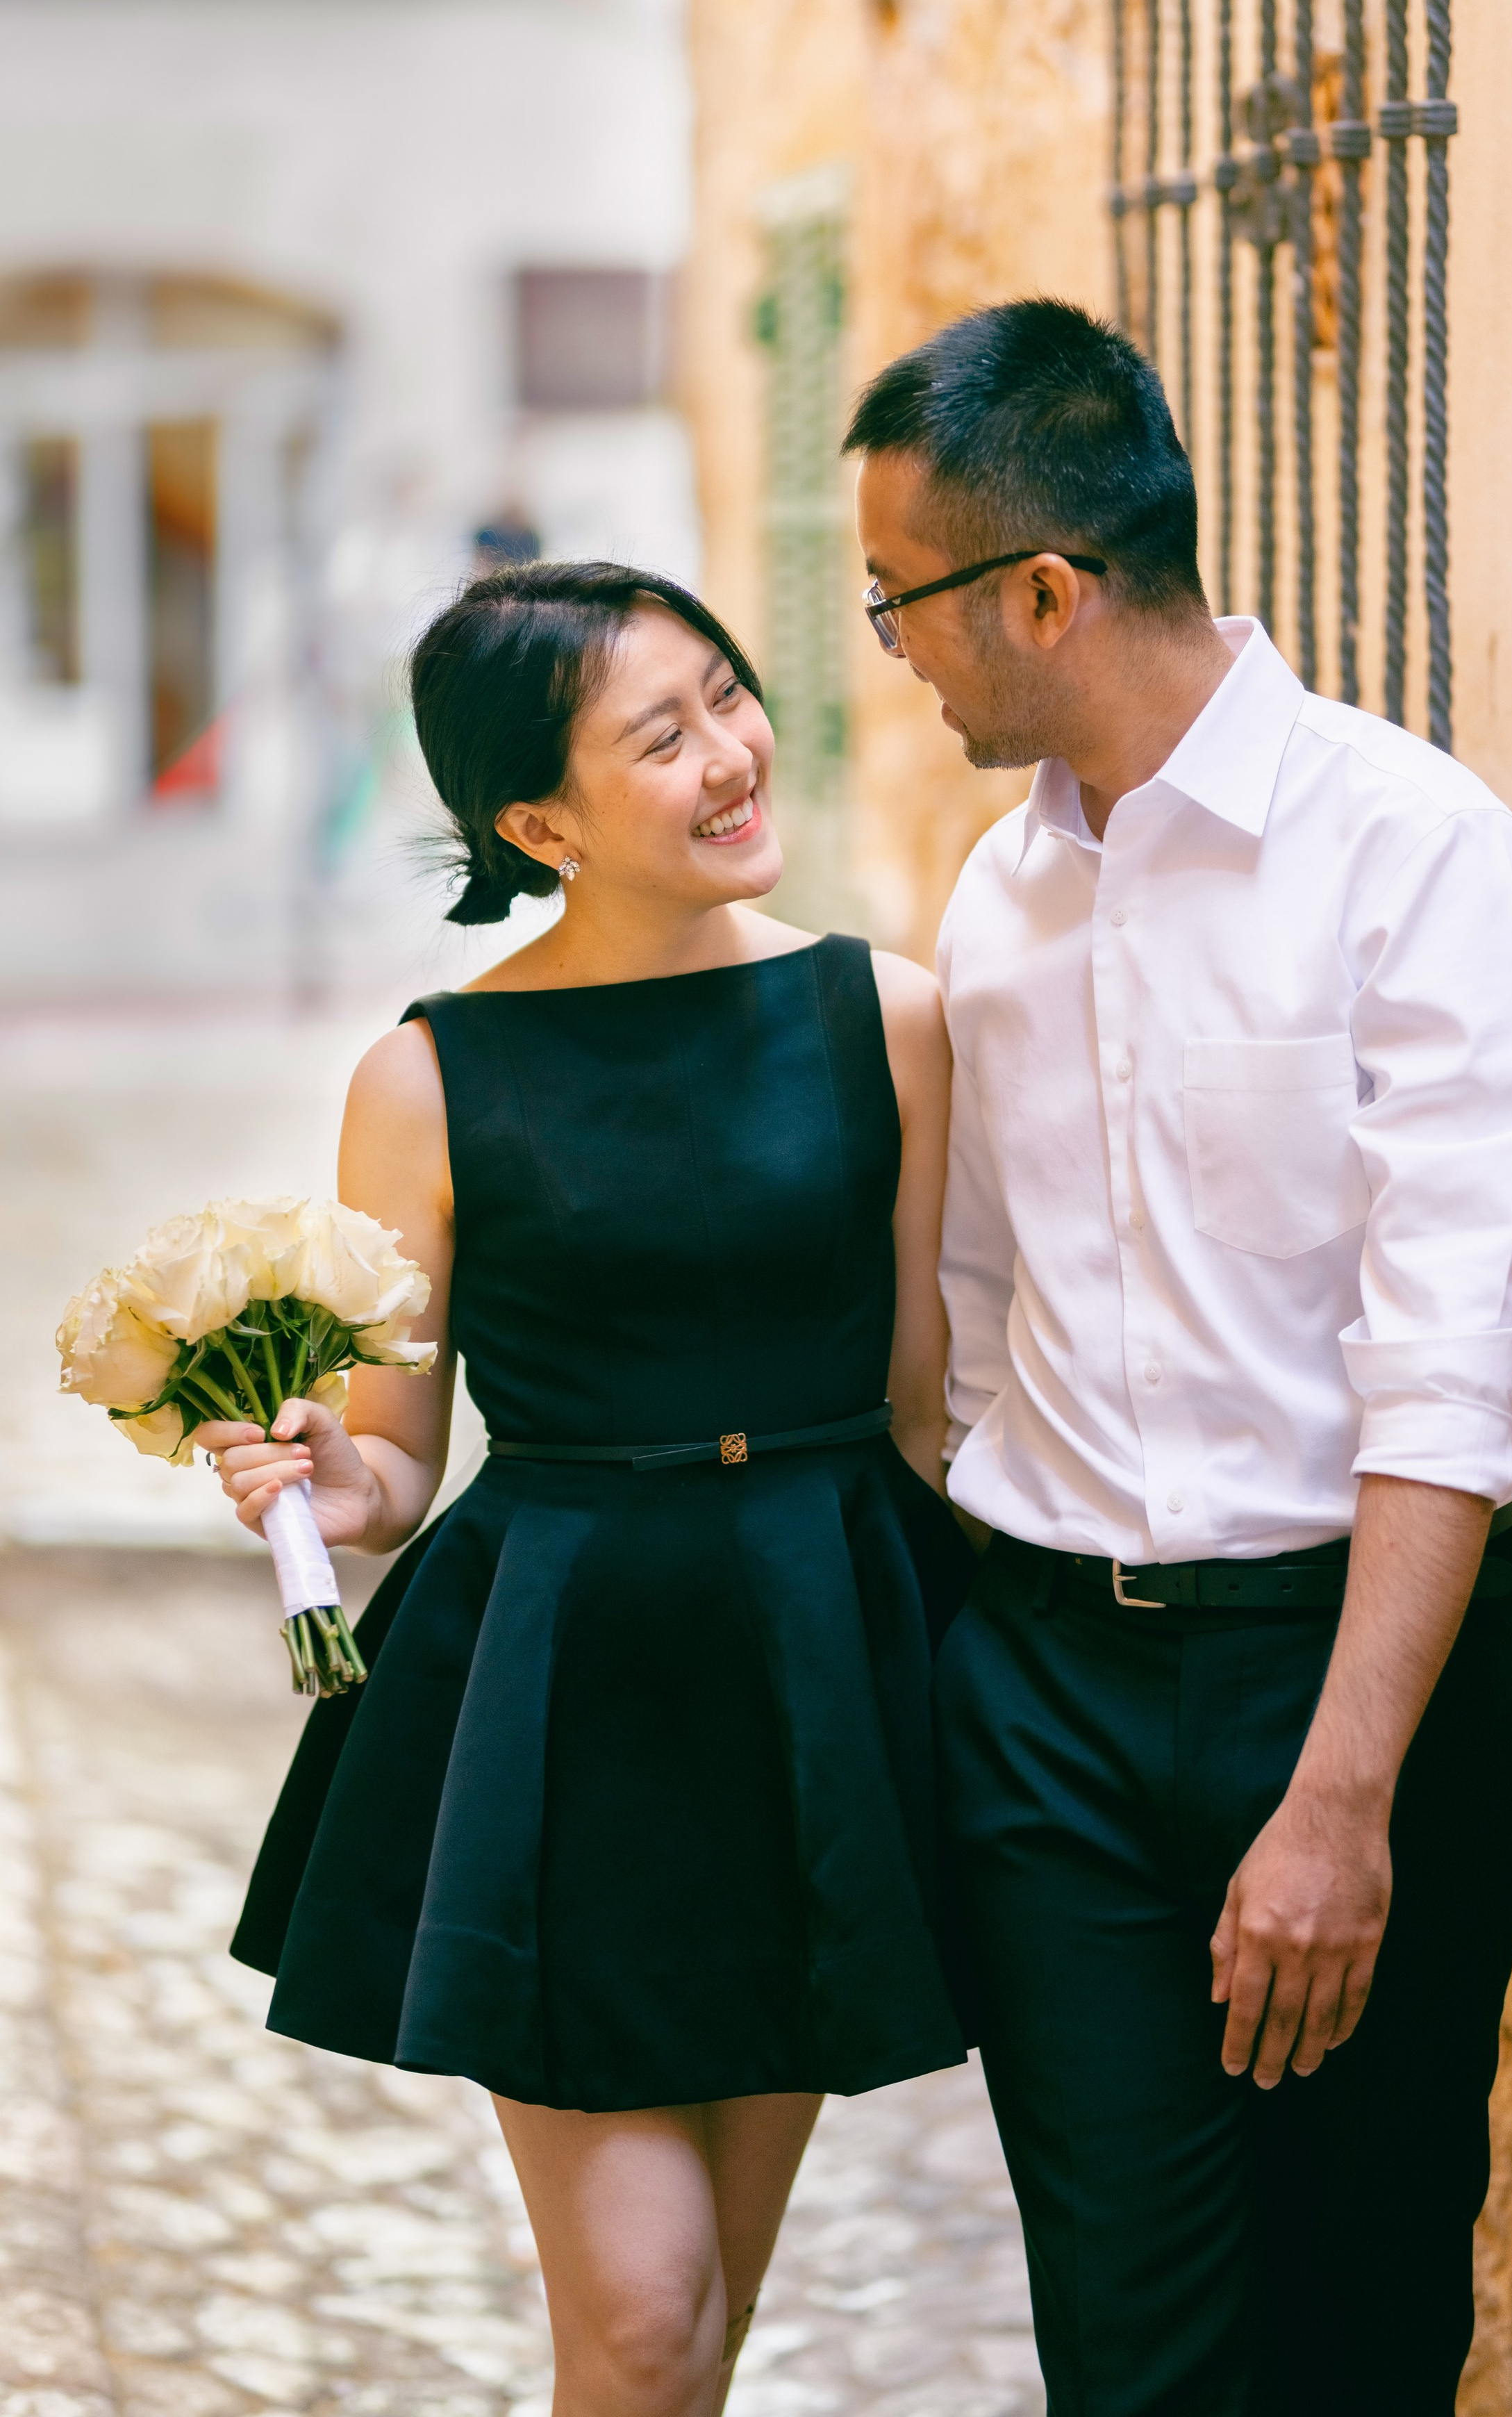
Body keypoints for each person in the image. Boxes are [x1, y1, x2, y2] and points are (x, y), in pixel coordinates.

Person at [845, 299, 1512, 2416]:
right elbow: (977, 1323)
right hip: (1053, 1718)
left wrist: (1341, 1796)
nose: (893, 652)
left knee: (1359, 2329)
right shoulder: (1000, 902)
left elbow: (1447, 1370)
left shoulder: (1411, 849)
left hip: (1358, 1680)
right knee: (1133, 2350)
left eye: (903, 599)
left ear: (1045, 594)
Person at [197, 560, 973, 2417]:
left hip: (814, 1663)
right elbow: (402, 1448)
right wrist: (333, 1483)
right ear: (540, 824)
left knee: (701, 2330)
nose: (731, 754)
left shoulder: (889, 1017)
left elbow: (925, 1402)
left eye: (727, 696)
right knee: (639, 2313)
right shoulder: (428, 1077)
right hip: (563, 1691)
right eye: (662, 736)